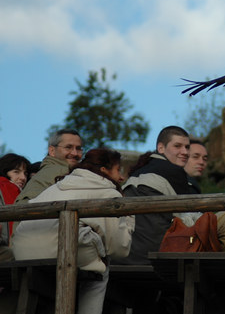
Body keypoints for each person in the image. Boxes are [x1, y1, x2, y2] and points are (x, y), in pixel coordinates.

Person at [11, 148, 134, 314]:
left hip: (23, 252)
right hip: (63, 251)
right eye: (118, 170)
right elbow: (119, 249)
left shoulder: (56, 187)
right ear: (104, 170)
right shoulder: (109, 193)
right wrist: (130, 218)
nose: (121, 177)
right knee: (101, 267)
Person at [115, 125, 197, 265]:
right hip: (156, 257)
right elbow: (191, 218)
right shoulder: (174, 172)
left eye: (187, 147)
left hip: (125, 256)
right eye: (177, 146)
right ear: (161, 148)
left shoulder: (137, 172)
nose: (184, 152)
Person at [15, 128, 83, 203]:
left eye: (78, 148)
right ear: (52, 151)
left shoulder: (66, 171)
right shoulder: (53, 172)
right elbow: (22, 206)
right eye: (68, 147)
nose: (75, 153)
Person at [0, 153, 31, 261]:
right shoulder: (8, 188)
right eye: (16, 172)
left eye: (25, 173)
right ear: (4, 171)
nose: (23, 178)